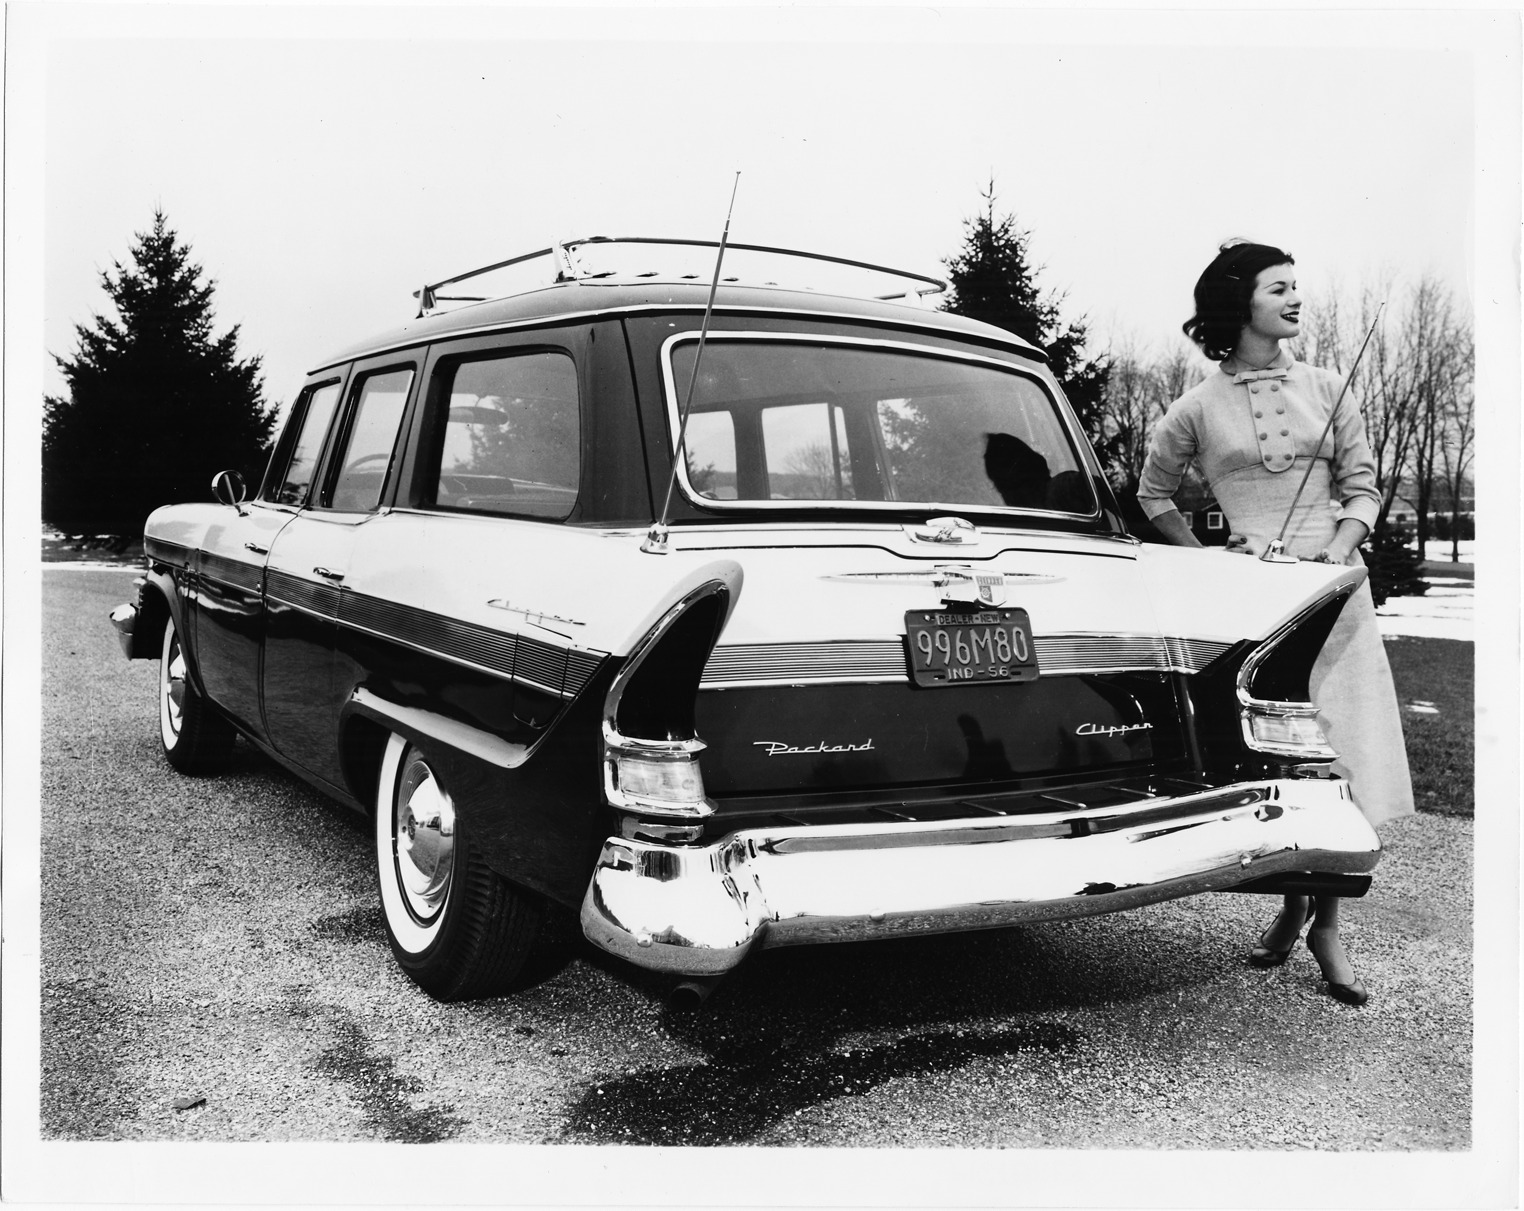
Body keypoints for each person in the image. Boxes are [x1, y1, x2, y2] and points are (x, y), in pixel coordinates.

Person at [1136, 240, 1415, 1007]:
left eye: (1297, 286)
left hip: (1336, 599)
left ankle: (1327, 923)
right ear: (1240, 303)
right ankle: (1291, 905)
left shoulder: (1327, 385)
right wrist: (1209, 557)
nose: (1295, 299)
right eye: (1278, 287)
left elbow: (1363, 488)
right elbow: (1153, 493)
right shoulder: (1195, 406)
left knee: (1341, 757)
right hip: (1255, 605)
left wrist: (1338, 549)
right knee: (1286, 761)